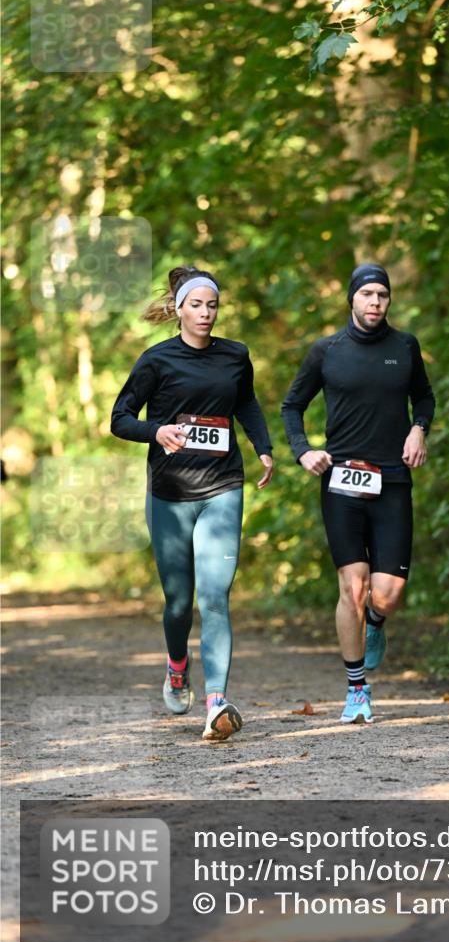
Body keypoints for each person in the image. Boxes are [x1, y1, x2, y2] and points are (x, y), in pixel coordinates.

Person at [111, 265, 273, 742]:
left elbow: (246, 403)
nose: (205, 313)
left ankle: (216, 701)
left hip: (223, 486)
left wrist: (262, 446)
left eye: (212, 305)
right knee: (179, 602)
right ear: (178, 308)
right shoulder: (156, 360)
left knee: (215, 597)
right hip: (170, 494)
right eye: (196, 305)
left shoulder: (235, 356)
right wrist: (155, 431)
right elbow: (120, 419)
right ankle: (177, 665)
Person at [281, 263, 435, 724]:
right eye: (367, 294)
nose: (374, 302)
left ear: (389, 302)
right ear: (351, 298)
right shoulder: (326, 351)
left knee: (385, 595)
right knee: (354, 585)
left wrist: (418, 429)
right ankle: (356, 691)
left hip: (393, 479)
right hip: (342, 480)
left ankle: (377, 624)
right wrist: (303, 452)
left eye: (382, 296)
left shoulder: (404, 346)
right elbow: (292, 406)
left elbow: (424, 398)